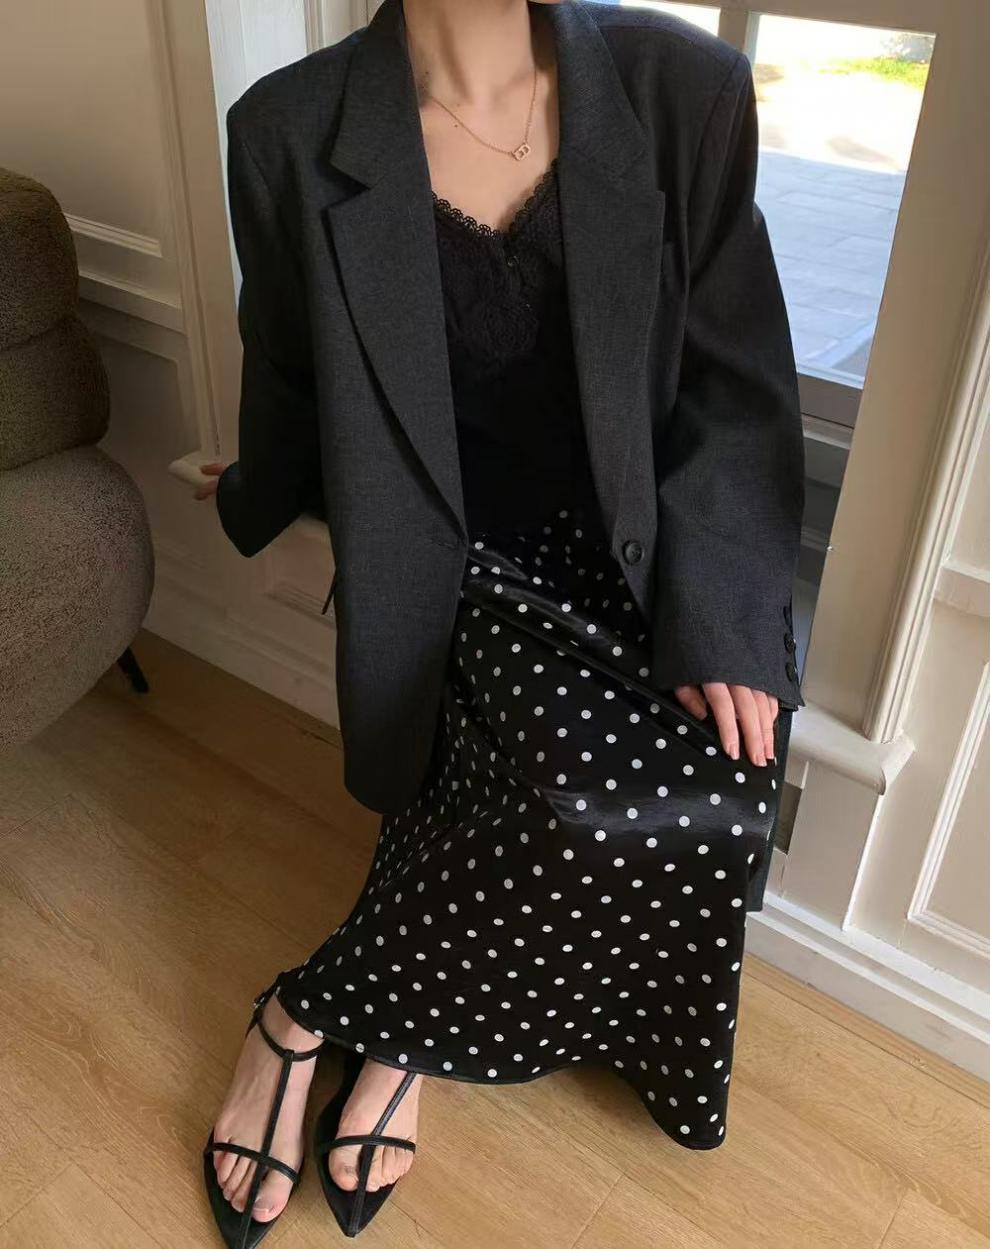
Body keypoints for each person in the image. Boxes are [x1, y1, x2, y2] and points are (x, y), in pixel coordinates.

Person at [193, 0, 805, 1242]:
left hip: (640, 563)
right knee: (567, 798)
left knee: (722, 791)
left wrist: (727, 621)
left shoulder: (683, 90)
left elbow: (738, 387)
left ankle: (312, 1012)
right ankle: (365, 1036)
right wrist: (254, 491)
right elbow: (293, 372)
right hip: (456, 563)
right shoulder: (286, 130)